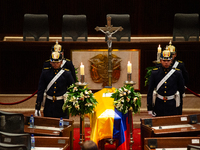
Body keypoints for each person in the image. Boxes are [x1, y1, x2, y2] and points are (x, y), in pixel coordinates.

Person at [35, 51, 75, 118]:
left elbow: (72, 89)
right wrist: (38, 106)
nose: (55, 64)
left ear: (61, 62)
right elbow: (41, 89)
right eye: (53, 62)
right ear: (50, 62)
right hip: (49, 105)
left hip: (62, 105)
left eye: (57, 62)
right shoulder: (45, 72)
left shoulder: (66, 73)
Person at [147, 49, 185, 117]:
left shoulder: (177, 73)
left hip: (172, 105)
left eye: (168, 60)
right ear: (161, 61)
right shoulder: (155, 73)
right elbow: (150, 91)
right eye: (164, 60)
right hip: (159, 104)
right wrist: (150, 107)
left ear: (171, 61)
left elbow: (181, 90)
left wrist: (179, 108)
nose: (166, 62)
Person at [167, 41, 189, 115]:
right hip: (166, 92)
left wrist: (182, 87)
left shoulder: (180, 64)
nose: (170, 56)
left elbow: (185, 77)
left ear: (175, 55)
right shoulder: (163, 65)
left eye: (172, 54)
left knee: (177, 111)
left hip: (176, 92)